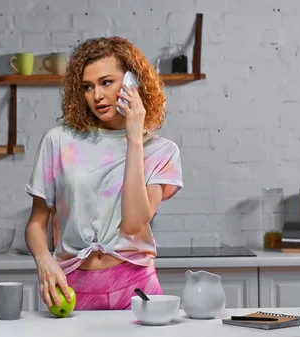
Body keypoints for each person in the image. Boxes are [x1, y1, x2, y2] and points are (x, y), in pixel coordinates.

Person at [24, 36, 183, 311]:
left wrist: (134, 139)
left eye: (106, 83)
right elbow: (37, 222)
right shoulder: (59, 141)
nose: (96, 96)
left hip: (137, 291)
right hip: (71, 289)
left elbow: (133, 224)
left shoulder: (161, 151)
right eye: (88, 87)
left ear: (133, 83)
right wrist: (44, 260)